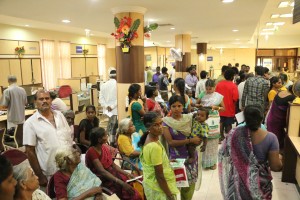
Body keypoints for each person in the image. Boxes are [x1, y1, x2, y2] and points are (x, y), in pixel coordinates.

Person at [219, 105, 282, 199]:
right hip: (260, 185)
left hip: (238, 185)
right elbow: (276, 166)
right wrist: (280, 159)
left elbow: (224, 153)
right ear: (262, 118)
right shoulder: (271, 138)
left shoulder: (234, 133)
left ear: (245, 118)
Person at [23, 89, 73, 187]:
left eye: (47, 98)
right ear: (35, 102)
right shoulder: (30, 123)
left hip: (69, 167)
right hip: (51, 172)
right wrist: (40, 175)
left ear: (51, 100)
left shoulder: (60, 115)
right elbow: (30, 151)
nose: (44, 101)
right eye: (41, 99)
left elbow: (69, 138)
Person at [85, 127, 141, 200]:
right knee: (125, 190)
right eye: (105, 135)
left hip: (111, 174)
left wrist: (127, 174)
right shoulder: (92, 152)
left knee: (131, 185)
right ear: (99, 140)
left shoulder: (104, 147)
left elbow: (113, 165)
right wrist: (121, 183)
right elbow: (102, 172)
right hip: (102, 179)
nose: (107, 136)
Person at [163, 95, 201, 199]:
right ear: (169, 107)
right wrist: (190, 140)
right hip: (176, 159)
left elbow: (198, 132)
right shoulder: (166, 122)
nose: (176, 109)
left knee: (189, 187)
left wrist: (198, 141)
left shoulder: (189, 118)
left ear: (183, 106)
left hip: (190, 157)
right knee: (175, 187)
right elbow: (170, 142)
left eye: (179, 106)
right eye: (173, 106)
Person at [138, 112, 179, 200]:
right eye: (156, 125)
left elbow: (153, 162)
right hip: (158, 189)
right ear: (148, 127)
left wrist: (166, 162)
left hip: (151, 185)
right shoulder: (154, 146)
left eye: (161, 123)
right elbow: (159, 175)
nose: (160, 127)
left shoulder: (151, 138)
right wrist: (169, 195)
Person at [195, 79, 225, 169]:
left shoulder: (218, 96)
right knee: (204, 138)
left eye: (210, 89)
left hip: (214, 120)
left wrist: (216, 108)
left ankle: (212, 163)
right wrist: (199, 106)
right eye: (207, 89)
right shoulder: (202, 94)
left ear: (214, 87)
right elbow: (196, 104)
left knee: (213, 141)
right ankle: (203, 162)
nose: (208, 91)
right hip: (204, 119)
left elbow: (223, 108)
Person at [216, 69, 239, 141]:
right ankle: (229, 138)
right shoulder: (233, 86)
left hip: (220, 107)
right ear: (232, 77)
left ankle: (221, 136)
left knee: (221, 121)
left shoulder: (219, 84)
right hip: (229, 107)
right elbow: (235, 98)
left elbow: (216, 96)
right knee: (229, 124)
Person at [99, 70, 118, 145]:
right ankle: (112, 143)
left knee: (108, 126)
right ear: (116, 76)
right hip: (114, 110)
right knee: (113, 127)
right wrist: (112, 106)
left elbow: (101, 99)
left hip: (106, 111)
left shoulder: (103, 85)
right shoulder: (117, 85)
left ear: (109, 76)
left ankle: (107, 142)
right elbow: (118, 98)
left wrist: (106, 106)